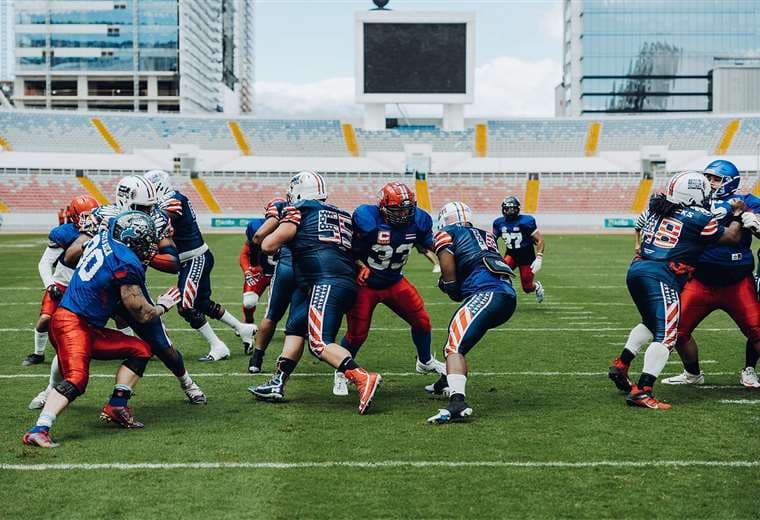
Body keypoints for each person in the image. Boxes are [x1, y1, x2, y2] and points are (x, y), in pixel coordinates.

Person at [22, 211, 182, 448]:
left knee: (140, 349)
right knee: (77, 379)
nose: (148, 247)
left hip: (83, 324)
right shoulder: (126, 262)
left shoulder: (102, 236)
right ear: (131, 238)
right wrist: (162, 306)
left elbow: (74, 258)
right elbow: (141, 313)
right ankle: (39, 429)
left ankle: (117, 405)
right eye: (145, 241)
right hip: (72, 325)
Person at [608, 171, 748, 410]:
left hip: (638, 270)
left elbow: (640, 224)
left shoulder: (658, 206)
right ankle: (642, 391)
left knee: (651, 323)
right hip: (662, 275)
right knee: (667, 336)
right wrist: (738, 215)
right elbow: (731, 238)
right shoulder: (700, 216)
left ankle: (622, 364)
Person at [248, 171, 381, 414]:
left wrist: (277, 220)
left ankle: (362, 377)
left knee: (319, 344)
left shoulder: (299, 209)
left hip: (324, 281)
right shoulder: (340, 212)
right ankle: (278, 381)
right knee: (296, 328)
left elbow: (267, 245)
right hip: (338, 280)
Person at [333, 181, 444, 396]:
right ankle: (341, 371)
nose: (403, 214)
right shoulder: (367, 219)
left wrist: (449, 249)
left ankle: (425, 360)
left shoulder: (419, 220)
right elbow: (347, 250)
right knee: (357, 335)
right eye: (397, 209)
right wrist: (360, 266)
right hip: (366, 285)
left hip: (394, 281)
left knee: (422, 321)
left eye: (407, 209)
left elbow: (431, 243)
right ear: (383, 207)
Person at [661, 160, 760, 388]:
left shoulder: (746, 201)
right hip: (701, 280)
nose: (710, 183)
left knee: (757, 331)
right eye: (708, 178)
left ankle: (749, 370)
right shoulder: (694, 201)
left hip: (737, 282)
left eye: (716, 179)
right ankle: (692, 373)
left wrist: (753, 220)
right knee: (677, 330)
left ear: (730, 182)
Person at [143, 170, 256, 361]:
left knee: (186, 305)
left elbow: (159, 222)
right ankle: (242, 328)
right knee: (201, 303)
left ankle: (218, 345)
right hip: (194, 258)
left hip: (194, 258)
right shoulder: (171, 198)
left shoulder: (173, 199)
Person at [425, 201, 517, 424]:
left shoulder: (447, 232)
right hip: (506, 295)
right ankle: (445, 381)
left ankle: (458, 402)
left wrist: (450, 286)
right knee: (459, 340)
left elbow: (447, 264)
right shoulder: (484, 234)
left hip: (487, 293)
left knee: (454, 345)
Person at [23, 194, 99, 366]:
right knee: (45, 319)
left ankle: (127, 349)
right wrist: (50, 285)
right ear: (74, 216)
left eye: (92, 215)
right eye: (84, 216)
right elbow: (45, 263)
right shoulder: (64, 233)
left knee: (119, 313)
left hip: (88, 286)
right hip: (62, 284)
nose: (89, 219)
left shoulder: (103, 231)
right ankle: (38, 353)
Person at [246, 197, 298, 374]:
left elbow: (257, 237)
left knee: (271, 315)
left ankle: (257, 358)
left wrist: (254, 263)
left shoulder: (279, 212)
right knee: (297, 321)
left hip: (283, 268)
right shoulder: (308, 212)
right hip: (304, 266)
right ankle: (284, 367)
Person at [492, 196, 545, 303]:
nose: (510, 211)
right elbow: (492, 240)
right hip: (511, 254)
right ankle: (506, 295)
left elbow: (540, 240)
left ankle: (537, 287)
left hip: (526, 256)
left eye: (513, 208)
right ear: (503, 209)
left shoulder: (527, 221)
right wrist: (493, 254)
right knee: (499, 274)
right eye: (508, 208)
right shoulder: (498, 222)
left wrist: (539, 257)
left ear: (517, 209)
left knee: (527, 287)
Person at [239, 207, 280, 329]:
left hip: (281, 274)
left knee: (294, 300)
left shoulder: (291, 229)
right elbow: (244, 254)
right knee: (249, 302)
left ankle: (299, 328)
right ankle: (248, 321)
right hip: (260, 273)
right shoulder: (257, 228)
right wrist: (247, 270)